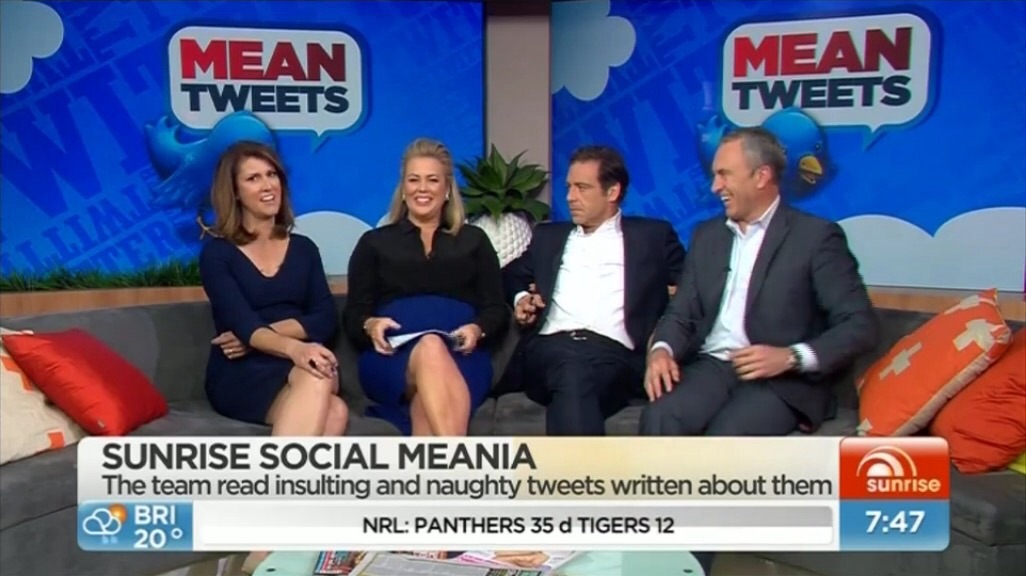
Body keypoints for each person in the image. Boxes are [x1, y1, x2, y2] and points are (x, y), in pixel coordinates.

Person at [641, 127, 879, 438]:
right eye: (714, 175)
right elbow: (681, 312)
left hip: (783, 380)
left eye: (724, 175)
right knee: (660, 416)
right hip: (713, 367)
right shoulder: (707, 236)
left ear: (761, 176)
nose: (715, 186)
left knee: (728, 435)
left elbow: (860, 324)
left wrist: (791, 357)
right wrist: (661, 350)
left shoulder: (815, 237)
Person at [198, 141, 348, 573]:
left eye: (272, 175)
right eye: (253, 178)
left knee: (319, 376)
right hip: (241, 373)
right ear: (234, 191)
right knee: (333, 410)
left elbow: (324, 317)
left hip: (288, 359)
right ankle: (282, 536)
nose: (268, 186)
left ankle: (266, 544)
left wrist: (267, 336)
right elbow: (239, 322)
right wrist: (293, 345)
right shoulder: (217, 253)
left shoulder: (304, 249)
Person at [503, 145, 685, 436]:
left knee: (576, 378)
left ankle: (570, 465)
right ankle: (583, 466)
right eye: (569, 187)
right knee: (572, 368)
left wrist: (664, 331)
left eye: (582, 188)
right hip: (548, 349)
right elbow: (510, 274)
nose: (570, 197)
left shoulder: (653, 236)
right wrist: (522, 298)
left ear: (612, 192)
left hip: (615, 355)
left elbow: (696, 285)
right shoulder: (549, 237)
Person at [342, 138, 509, 436]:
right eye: (413, 179)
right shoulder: (374, 243)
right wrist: (370, 325)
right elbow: (353, 315)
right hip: (393, 358)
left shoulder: (474, 240)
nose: (422, 188)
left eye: (432, 180)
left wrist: (478, 329)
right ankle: (458, 458)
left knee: (425, 404)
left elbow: (496, 308)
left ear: (447, 189)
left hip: (461, 356)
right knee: (430, 346)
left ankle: (438, 465)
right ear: (403, 189)